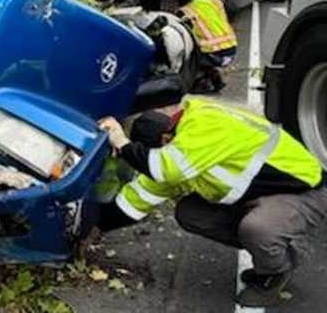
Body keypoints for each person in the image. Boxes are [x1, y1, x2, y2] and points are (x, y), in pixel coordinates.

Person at [97, 98, 327, 307]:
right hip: (260, 196)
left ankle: (277, 269)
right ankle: (270, 249)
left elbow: (162, 167)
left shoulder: (203, 126)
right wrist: (92, 227)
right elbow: (135, 201)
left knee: (258, 229)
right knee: (190, 212)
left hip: (306, 192)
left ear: (166, 139)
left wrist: (122, 144)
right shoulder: (179, 155)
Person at [176, 0, 237, 93]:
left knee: (186, 51)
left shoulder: (184, 11)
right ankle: (216, 79)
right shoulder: (214, 2)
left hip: (213, 55)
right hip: (232, 50)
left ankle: (201, 81)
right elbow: (233, 9)